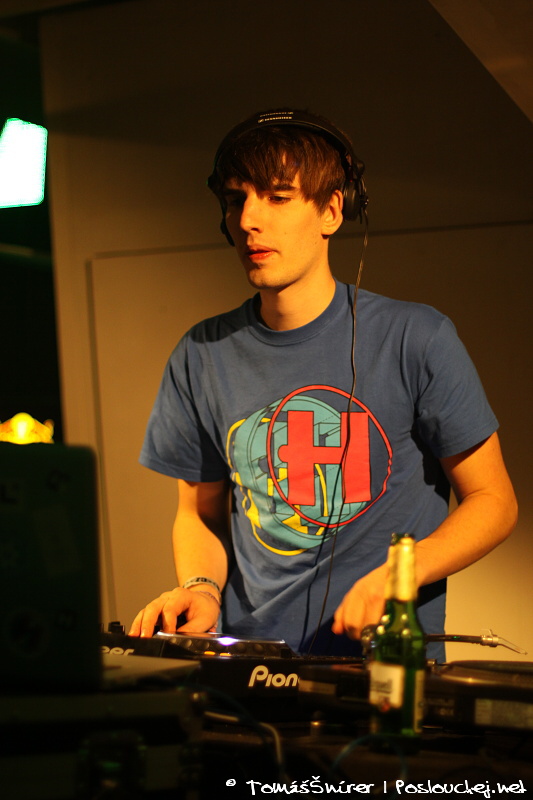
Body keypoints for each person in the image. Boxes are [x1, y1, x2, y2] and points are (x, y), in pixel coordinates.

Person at [129, 109, 517, 660]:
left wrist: (399, 576)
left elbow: (494, 501)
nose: (249, 220)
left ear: (333, 210)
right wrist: (201, 589)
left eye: (277, 197)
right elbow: (199, 513)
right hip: (252, 668)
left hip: (383, 670)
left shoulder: (417, 337)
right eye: (236, 200)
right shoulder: (200, 353)